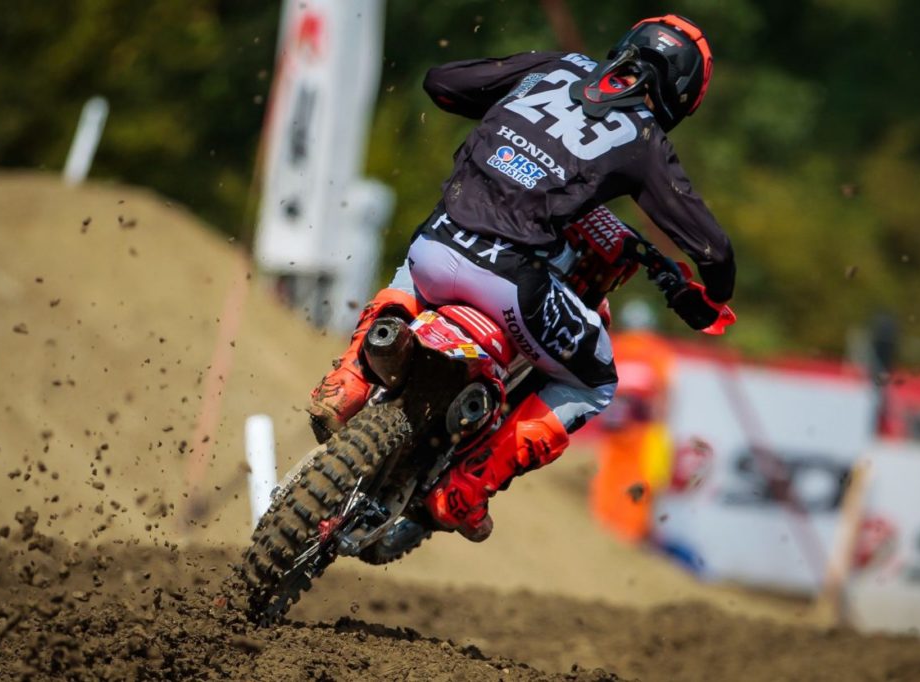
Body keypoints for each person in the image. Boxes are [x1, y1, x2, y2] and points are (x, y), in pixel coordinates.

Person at [308, 15, 735, 542]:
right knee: (596, 382)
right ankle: (466, 489)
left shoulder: (557, 66)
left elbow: (442, 82)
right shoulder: (643, 136)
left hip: (434, 247)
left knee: (415, 268)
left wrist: (506, 113)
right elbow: (713, 249)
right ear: (683, 93)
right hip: (509, 281)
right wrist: (707, 298)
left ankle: (349, 379)